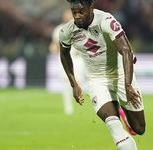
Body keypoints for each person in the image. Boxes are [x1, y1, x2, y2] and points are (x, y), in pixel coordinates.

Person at [59, 0, 146, 149]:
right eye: (74, 13)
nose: (77, 16)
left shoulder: (106, 20)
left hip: (120, 75)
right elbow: (64, 55)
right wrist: (74, 84)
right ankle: (116, 117)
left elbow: (126, 51)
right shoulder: (67, 31)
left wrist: (127, 84)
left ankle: (123, 111)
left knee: (139, 128)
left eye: (81, 12)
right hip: (96, 80)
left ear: (91, 8)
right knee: (113, 124)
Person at [49, 9, 84, 115]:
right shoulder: (59, 29)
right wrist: (53, 48)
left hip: (78, 59)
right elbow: (54, 43)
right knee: (66, 80)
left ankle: (81, 102)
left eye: (69, 14)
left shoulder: (80, 28)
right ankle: (68, 107)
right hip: (65, 57)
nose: (67, 16)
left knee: (78, 82)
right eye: (65, 15)